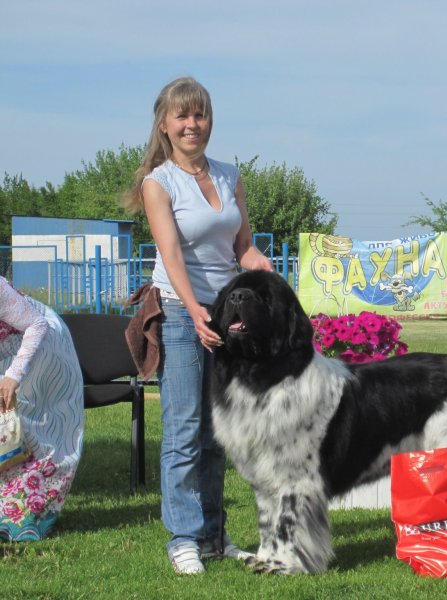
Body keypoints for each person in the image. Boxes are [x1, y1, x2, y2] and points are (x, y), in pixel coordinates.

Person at [122, 76, 273, 575]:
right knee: (184, 432)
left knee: (216, 434)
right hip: (181, 314)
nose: (192, 125)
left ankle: (213, 536)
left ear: (210, 121)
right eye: (182, 116)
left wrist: (261, 265)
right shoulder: (158, 182)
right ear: (165, 125)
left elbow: (240, 247)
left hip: (228, 318)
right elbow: (172, 256)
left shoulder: (231, 175)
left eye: (200, 115)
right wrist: (194, 312)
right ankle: (182, 539)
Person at [0, 277, 84, 541]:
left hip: (42, 345)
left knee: (28, 430)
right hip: (7, 348)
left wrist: (14, 375)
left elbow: (37, 325)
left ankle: (29, 518)